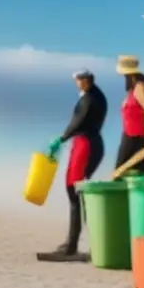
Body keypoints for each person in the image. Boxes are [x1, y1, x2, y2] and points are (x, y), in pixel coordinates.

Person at [37, 69, 107, 262]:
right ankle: (72, 242)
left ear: (86, 81)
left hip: (86, 145)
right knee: (76, 193)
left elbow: (79, 121)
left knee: (74, 192)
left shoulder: (89, 98)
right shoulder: (95, 95)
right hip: (87, 144)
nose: (77, 83)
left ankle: (71, 247)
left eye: (78, 80)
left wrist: (62, 138)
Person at [114, 55, 144, 174]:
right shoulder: (133, 89)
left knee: (123, 174)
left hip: (137, 139)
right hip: (129, 136)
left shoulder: (140, 87)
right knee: (122, 173)